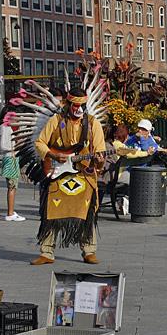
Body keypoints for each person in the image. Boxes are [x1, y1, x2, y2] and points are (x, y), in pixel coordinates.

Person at [30, 87, 106, 265]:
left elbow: (100, 150)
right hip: (57, 173)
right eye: (75, 105)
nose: (78, 109)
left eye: (82, 105)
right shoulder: (56, 120)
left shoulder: (93, 123)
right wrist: (54, 155)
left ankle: (89, 250)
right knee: (50, 211)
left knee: (87, 212)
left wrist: (100, 160)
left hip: (83, 175)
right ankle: (47, 252)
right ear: (68, 104)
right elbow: (39, 142)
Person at [125, 119, 167, 184]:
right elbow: (145, 149)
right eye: (139, 128)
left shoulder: (149, 139)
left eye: (143, 129)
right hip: (133, 169)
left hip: (144, 168)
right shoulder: (132, 139)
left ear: (148, 131)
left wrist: (164, 150)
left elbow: (154, 148)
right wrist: (142, 138)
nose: (140, 131)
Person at [0, 105, 26, 221]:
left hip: (13, 158)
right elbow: (4, 146)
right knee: (12, 186)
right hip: (10, 158)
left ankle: (11, 211)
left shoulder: (12, 127)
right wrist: (16, 144)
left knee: (13, 186)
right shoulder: (4, 127)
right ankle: (10, 213)